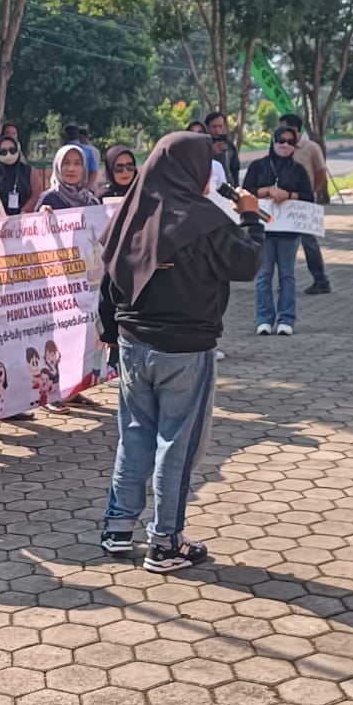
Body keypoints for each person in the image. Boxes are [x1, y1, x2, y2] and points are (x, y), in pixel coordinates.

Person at [97, 132, 265, 572]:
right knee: (177, 444)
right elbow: (247, 263)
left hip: (134, 344)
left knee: (134, 436)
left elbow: (111, 277)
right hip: (187, 349)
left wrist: (109, 331)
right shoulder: (206, 220)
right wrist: (250, 218)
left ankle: (117, 528)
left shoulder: (134, 213)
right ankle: (165, 543)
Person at [243, 127, 312, 335]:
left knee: (287, 275)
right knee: (263, 276)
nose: (285, 145)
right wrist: (266, 191)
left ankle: (286, 318)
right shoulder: (258, 166)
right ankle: (264, 318)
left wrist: (289, 195)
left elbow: (309, 197)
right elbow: (245, 192)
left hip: (289, 232)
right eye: (281, 140)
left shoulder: (299, 170)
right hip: (262, 230)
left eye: (290, 142)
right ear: (273, 142)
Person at [279, 114, 330, 295]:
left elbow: (320, 173)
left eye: (284, 128)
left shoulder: (311, 148)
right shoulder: (281, 146)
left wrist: (311, 192)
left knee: (309, 243)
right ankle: (285, 281)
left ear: (295, 129)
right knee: (284, 244)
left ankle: (321, 280)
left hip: (304, 203)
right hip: (284, 202)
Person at [0, 130, 41, 214]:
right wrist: (1, 214)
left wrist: (25, 211)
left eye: (12, 150)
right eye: (4, 152)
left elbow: (37, 193)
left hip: (26, 219)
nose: (8, 154)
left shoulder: (30, 171)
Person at [37, 145, 102, 211]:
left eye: (77, 163)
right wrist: (42, 214)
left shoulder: (92, 202)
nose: (71, 169)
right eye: (66, 163)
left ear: (84, 169)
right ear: (58, 166)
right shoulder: (48, 199)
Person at [204, 111, 242, 183]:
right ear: (207, 127)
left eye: (220, 126)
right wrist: (211, 152)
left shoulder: (229, 145)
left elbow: (235, 168)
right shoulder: (203, 144)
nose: (217, 130)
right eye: (214, 127)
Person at [63, 123, 101, 188]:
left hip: (65, 189)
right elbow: (94, 171)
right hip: (86, 188)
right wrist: (86, 189)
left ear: (65, 136)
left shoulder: (62, 151)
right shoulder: (89, 150)